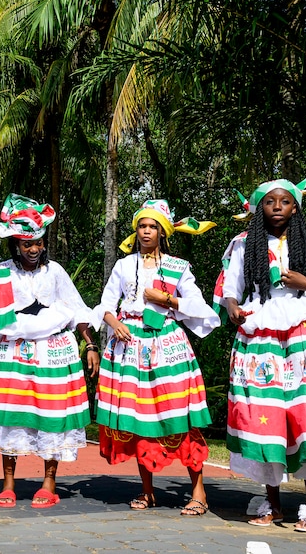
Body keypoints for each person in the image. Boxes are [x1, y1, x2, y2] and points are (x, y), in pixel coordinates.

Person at [215, 171, 306, 533]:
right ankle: (271, 501)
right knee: (266, 416)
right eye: (270, 201)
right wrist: (232, 308)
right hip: (260, 331)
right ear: (260, 208)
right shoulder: (243, 245)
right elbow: (231, 289)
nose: (277, 207)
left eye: (284, 201)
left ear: (295, 207)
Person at [0, 194, 96, 509]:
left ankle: (49, 484)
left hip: (53, 353)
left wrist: (90, 345)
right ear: (16, 244)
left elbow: (76, 309)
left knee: (50, 416)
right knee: (12, 418)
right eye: (27, 244)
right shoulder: (1, 273)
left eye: (38, 243)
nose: (33, 249)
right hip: (9, 354)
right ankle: (9, 485)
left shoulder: (55, 272)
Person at [95, 200, 218, 516]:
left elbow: (199, 308)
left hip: (167, 345)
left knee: (176, 413)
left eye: (152, 227)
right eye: (141, 226)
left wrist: (164, 299)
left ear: (163, 232)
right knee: (138, 417)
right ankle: (147, 490)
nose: (146, 232)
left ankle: (199, 492)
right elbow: (106, 304)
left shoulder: (179, 267)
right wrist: (115, 323)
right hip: (129, 347)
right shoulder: (124, 266)